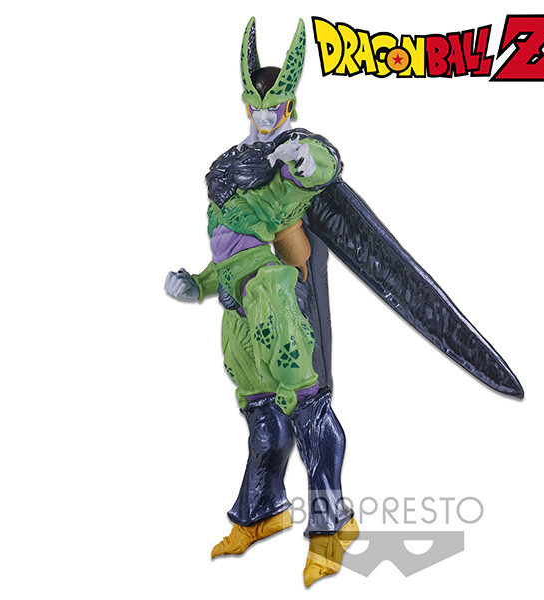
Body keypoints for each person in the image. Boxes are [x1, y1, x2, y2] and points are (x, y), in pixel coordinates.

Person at [165, 18, 357, 587]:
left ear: (289, 104)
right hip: (236, 303)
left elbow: (320, 168)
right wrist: (197, 284)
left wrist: (307, 157)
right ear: (245, 105)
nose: (265, 115)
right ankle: (262, 511)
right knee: (261, 414)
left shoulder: (286, 160)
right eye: (257, 106)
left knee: (308, 407)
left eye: (275, 106)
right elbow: (230, 250)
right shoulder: (231, 170)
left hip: (272, 294)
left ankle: (331, 526)